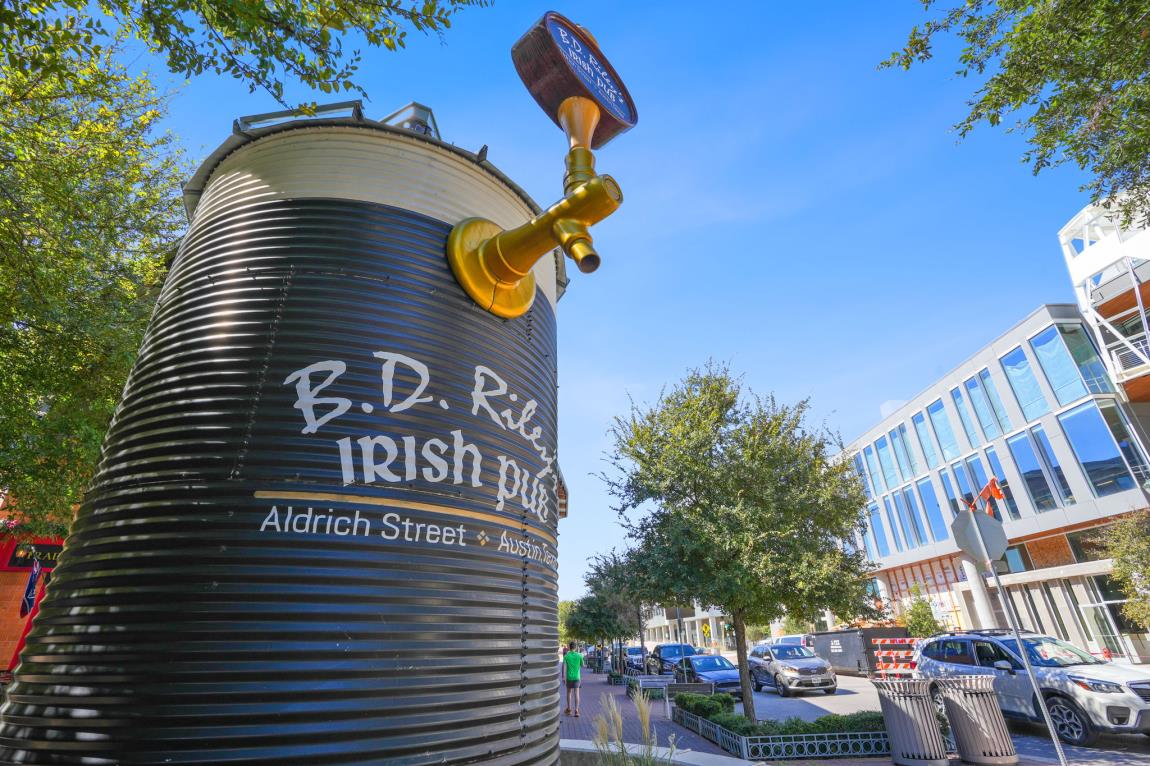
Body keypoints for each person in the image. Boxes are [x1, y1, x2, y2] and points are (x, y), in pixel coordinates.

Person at [562, 640, 583, 717]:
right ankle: (576, 710)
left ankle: (569, 709)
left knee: (568, 693)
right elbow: (582, 665)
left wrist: (563, 677)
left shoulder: (566, 656)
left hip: (569, 677)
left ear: (569, 647)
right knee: (576, 693)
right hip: (577, 677)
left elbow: (564, 667)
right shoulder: (579, 656)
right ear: (576, 647)